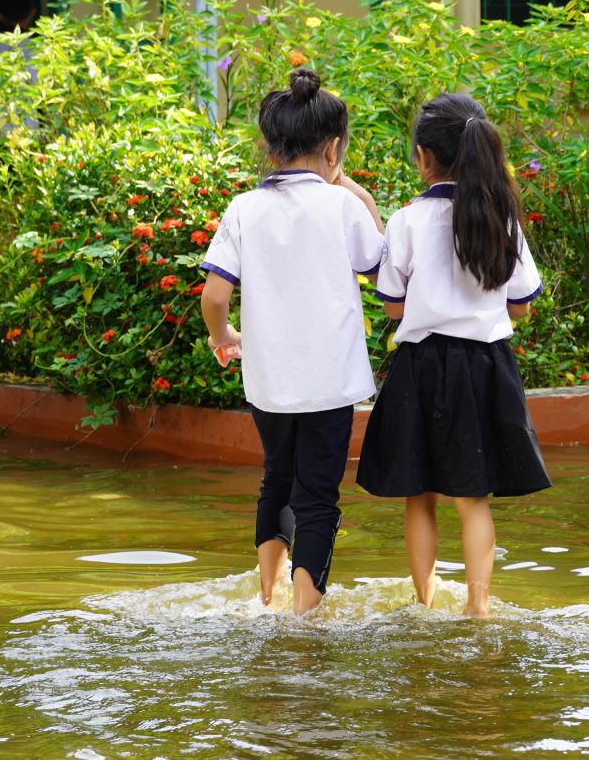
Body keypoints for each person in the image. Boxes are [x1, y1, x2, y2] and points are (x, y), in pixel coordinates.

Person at [356, 93, 551, 618]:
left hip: (422, 365)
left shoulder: (408, 220)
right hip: (487, 367)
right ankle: (478, 608)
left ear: (423, 157)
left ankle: (424, 605)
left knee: (418, 492)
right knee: (473, 496)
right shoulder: (502, 217)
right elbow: (521, 304)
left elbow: (392, 306)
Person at [200, 69, 385, 616]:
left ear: (271, 145)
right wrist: (353, 188)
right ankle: (305, 617)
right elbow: (381, 268)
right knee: (318, 495)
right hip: (330, 382)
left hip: (269, 380)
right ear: (333, 148)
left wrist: (223, 336)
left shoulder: (243, 208)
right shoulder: (342, 206)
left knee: (276, 480)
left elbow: (214, 296)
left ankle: (269, 597)